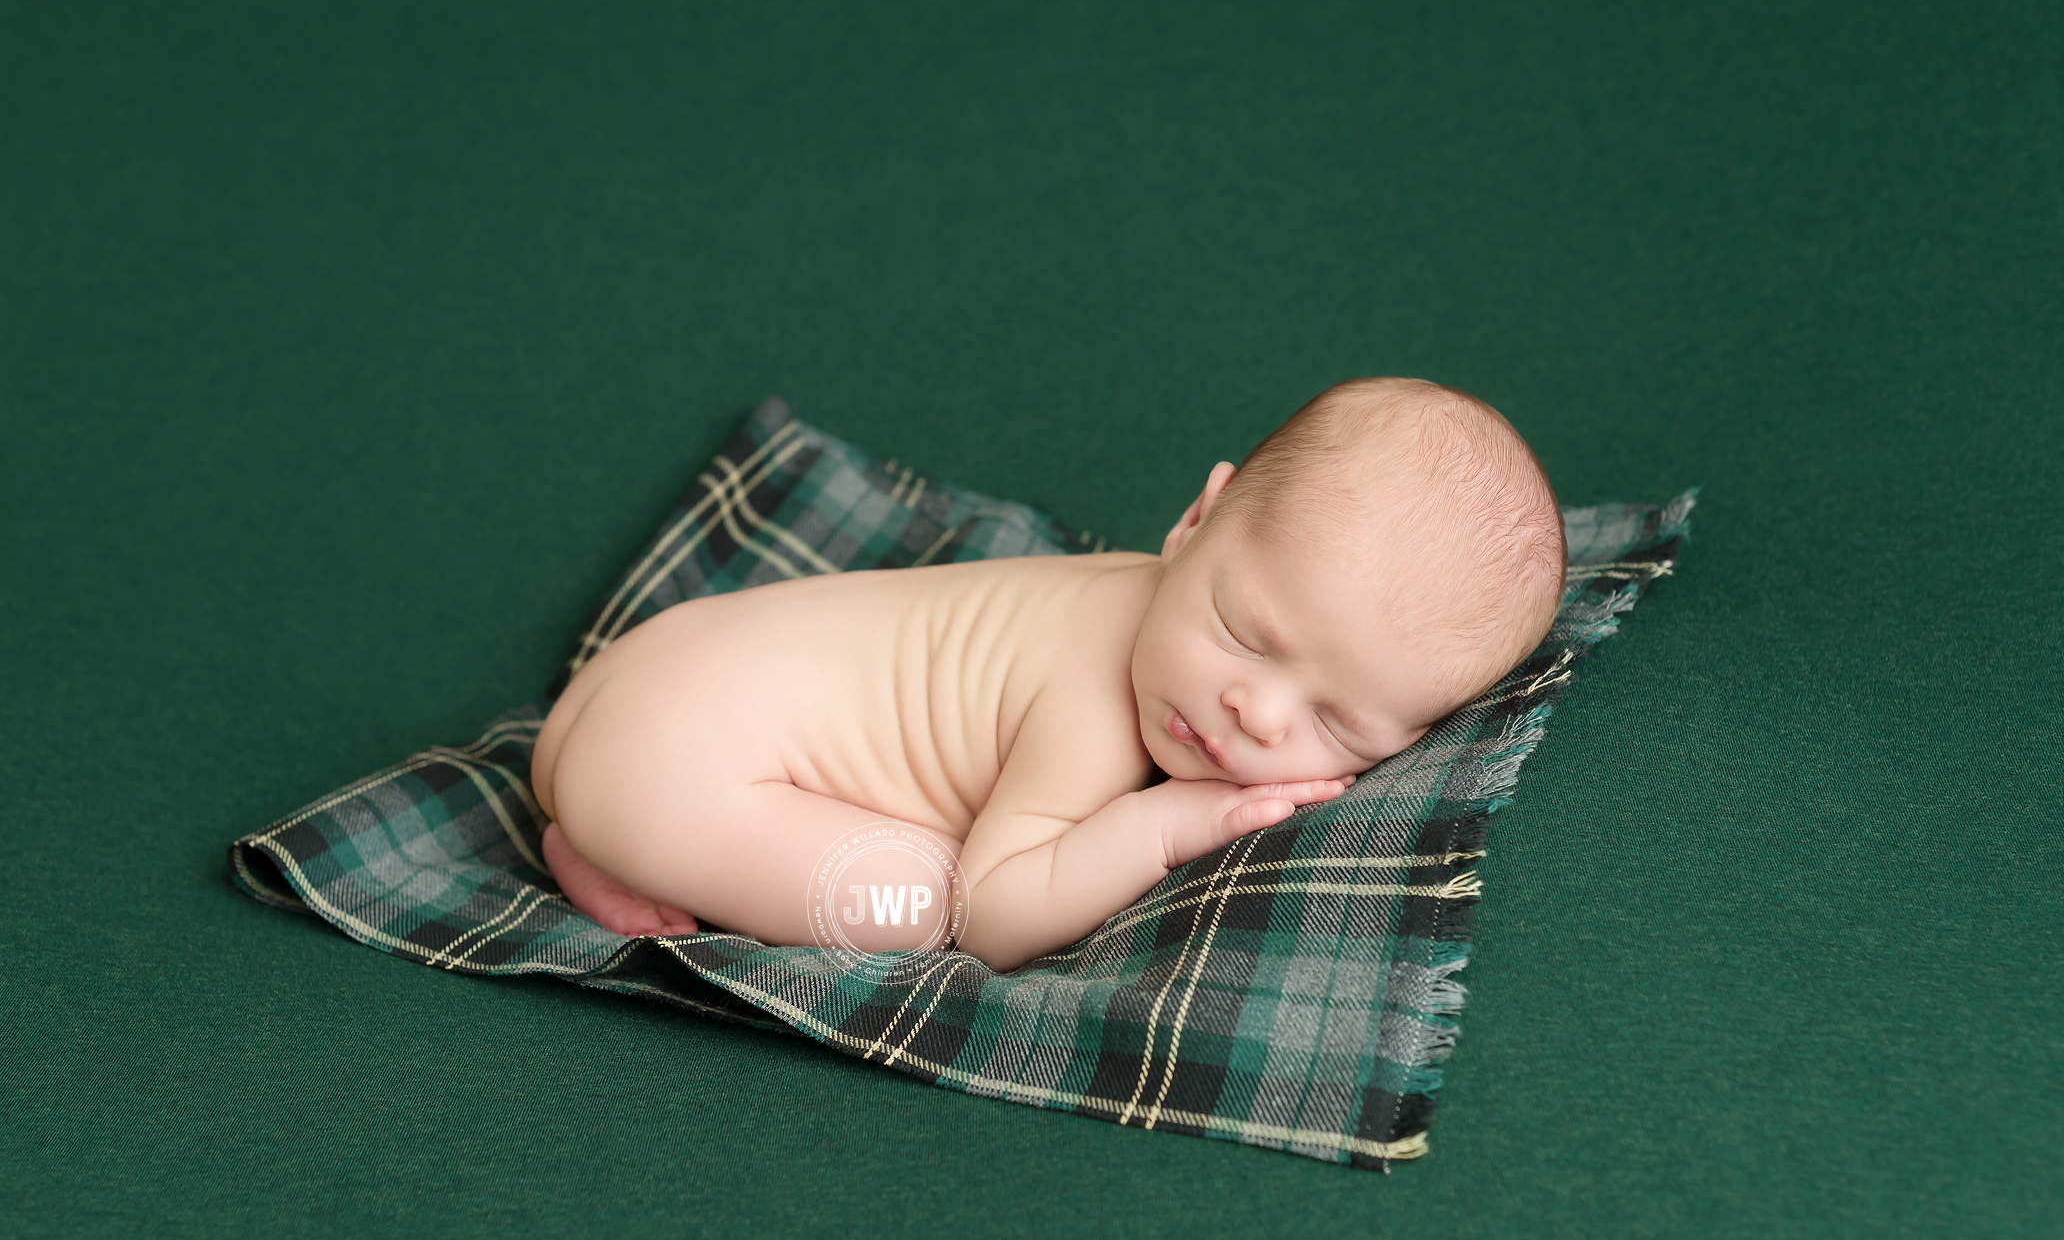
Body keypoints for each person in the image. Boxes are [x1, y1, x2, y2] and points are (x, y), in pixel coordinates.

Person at [531, 377, 1566, 972]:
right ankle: (627, 844)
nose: (1253, 711)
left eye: (1336, 721)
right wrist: (1160, 828)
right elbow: (996, 916)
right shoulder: (1095, 703)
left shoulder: (1153, 599)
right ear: (1194, 523)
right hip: (668, 756)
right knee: (923, 903)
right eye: (1244, 634)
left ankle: (603, 832)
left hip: (646, 679)